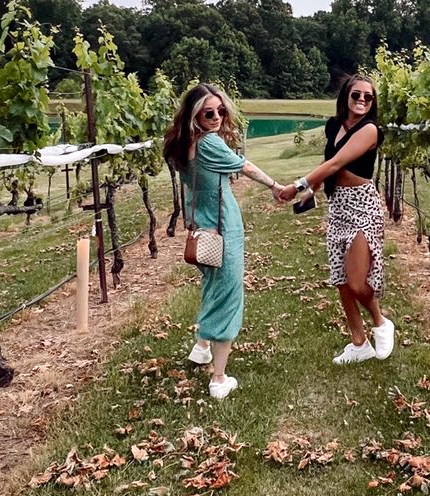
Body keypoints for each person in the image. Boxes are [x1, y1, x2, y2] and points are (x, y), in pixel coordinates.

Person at [163, 83, 283, 399]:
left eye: (220, 110)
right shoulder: (209, 144)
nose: (217, 116)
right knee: (229, 294)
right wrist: (275, 185)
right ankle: (219, 379)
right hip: (223, 227)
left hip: (202, 226)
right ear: (195, 115)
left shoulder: (183, 143)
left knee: (212, 286)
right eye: (208, 112)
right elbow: (245, 167)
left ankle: (202, 347)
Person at [277, 75, 394, 364]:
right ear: (346, 96)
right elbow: (326, 165)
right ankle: (359, 343)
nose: (362, 101)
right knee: (341, 280)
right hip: (339, 205)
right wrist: (313, 190)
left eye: (369, 97)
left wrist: (297, 186)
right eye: (357, 95)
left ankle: (381, 322)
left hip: (363, 206)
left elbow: (337, 162)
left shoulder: (370, 130)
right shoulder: (334, 125)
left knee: (356, 282)